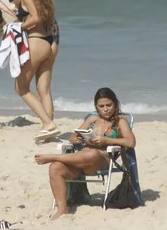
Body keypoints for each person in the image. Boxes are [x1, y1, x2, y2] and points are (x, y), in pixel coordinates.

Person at [34, 88, 137, 220]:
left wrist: (106, 140)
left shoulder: (120, 122)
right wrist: (76, 139)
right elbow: (72, 136)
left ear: (115, 104)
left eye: (109, 105)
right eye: (101, 106)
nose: (105, 109)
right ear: (96, 106)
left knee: (92, 154)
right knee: (55, 167)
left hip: (101, 160)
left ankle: (54, 157)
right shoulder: (92, 119)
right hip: (81, 160)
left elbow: (131, 142)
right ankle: (62, 210)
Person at [4, 0, 60, 140]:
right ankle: (50, 131)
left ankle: (47, 123)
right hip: (50, 43)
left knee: (21, 88)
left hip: (36, 42)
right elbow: (21, 6)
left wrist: (17, 28)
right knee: (44, 90)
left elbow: (34, 18)